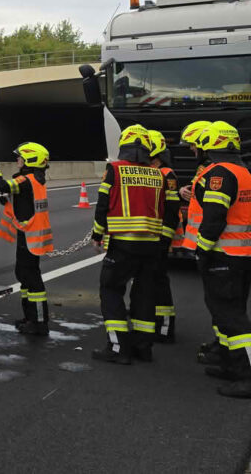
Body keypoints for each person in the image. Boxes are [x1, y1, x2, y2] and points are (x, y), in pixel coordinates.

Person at [195, 121, 251, 399]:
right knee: (227, 313)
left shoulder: (219, 173)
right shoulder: (243, 171)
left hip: (223, 255)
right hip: (242, 254)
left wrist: (202, 249)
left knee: (232, 317)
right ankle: (231, 365)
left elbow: (215, 217)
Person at [91, 124, 169, 364]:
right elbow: (162, 209)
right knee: (144, 294)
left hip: (123, 243)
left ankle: (117, 348)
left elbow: (103, 203)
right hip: (151, 245)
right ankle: (143, 347)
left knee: (111, 290)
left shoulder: (114, 170)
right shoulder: (158, 174)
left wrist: (97, 234)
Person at [0, 142, 53, 335]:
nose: (17, 159)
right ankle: (30, 317)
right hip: (30, 234)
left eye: (20, 157)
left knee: (32, 279)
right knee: (24, 275)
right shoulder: (34, 179)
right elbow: (24, 200)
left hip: (30, 236)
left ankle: (39, 323)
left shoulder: (26, 180)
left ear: (30, 160)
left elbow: (1, 185)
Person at [170, 120, 220, 360]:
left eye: (193, 144)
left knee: (220, 301)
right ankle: (221, 342)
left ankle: (227, 348)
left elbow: (214, 210)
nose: (191, 149)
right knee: (215, 300)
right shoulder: (207, 168)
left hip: (212, 245)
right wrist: (184, 191)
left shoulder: (213, 169)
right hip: (206, 242)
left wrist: (204, 246)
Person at [147, 129, 182, 342]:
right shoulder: (147, 172)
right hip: (147, 238)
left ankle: (166, 328)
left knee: (159, 281)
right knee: (148, 281)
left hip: (159, 237)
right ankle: (151, 322)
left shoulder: (167, 174)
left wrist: (164, 238)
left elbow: (171, 209)